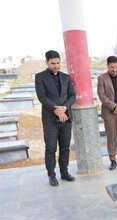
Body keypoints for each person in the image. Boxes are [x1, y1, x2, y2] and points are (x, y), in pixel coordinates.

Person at [35, 50, 76, 187]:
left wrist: (63, 108)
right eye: (53, 63)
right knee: (51, 148)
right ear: (47, 62)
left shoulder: (66, 77)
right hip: (50, 120)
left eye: (58, 63)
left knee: (65, 147)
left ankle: (64, 172)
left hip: (66, 118)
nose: (56, 66)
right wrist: (56, 110)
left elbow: (72, 96)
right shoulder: (40, 77)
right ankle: (51, 175)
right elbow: (42, 97)